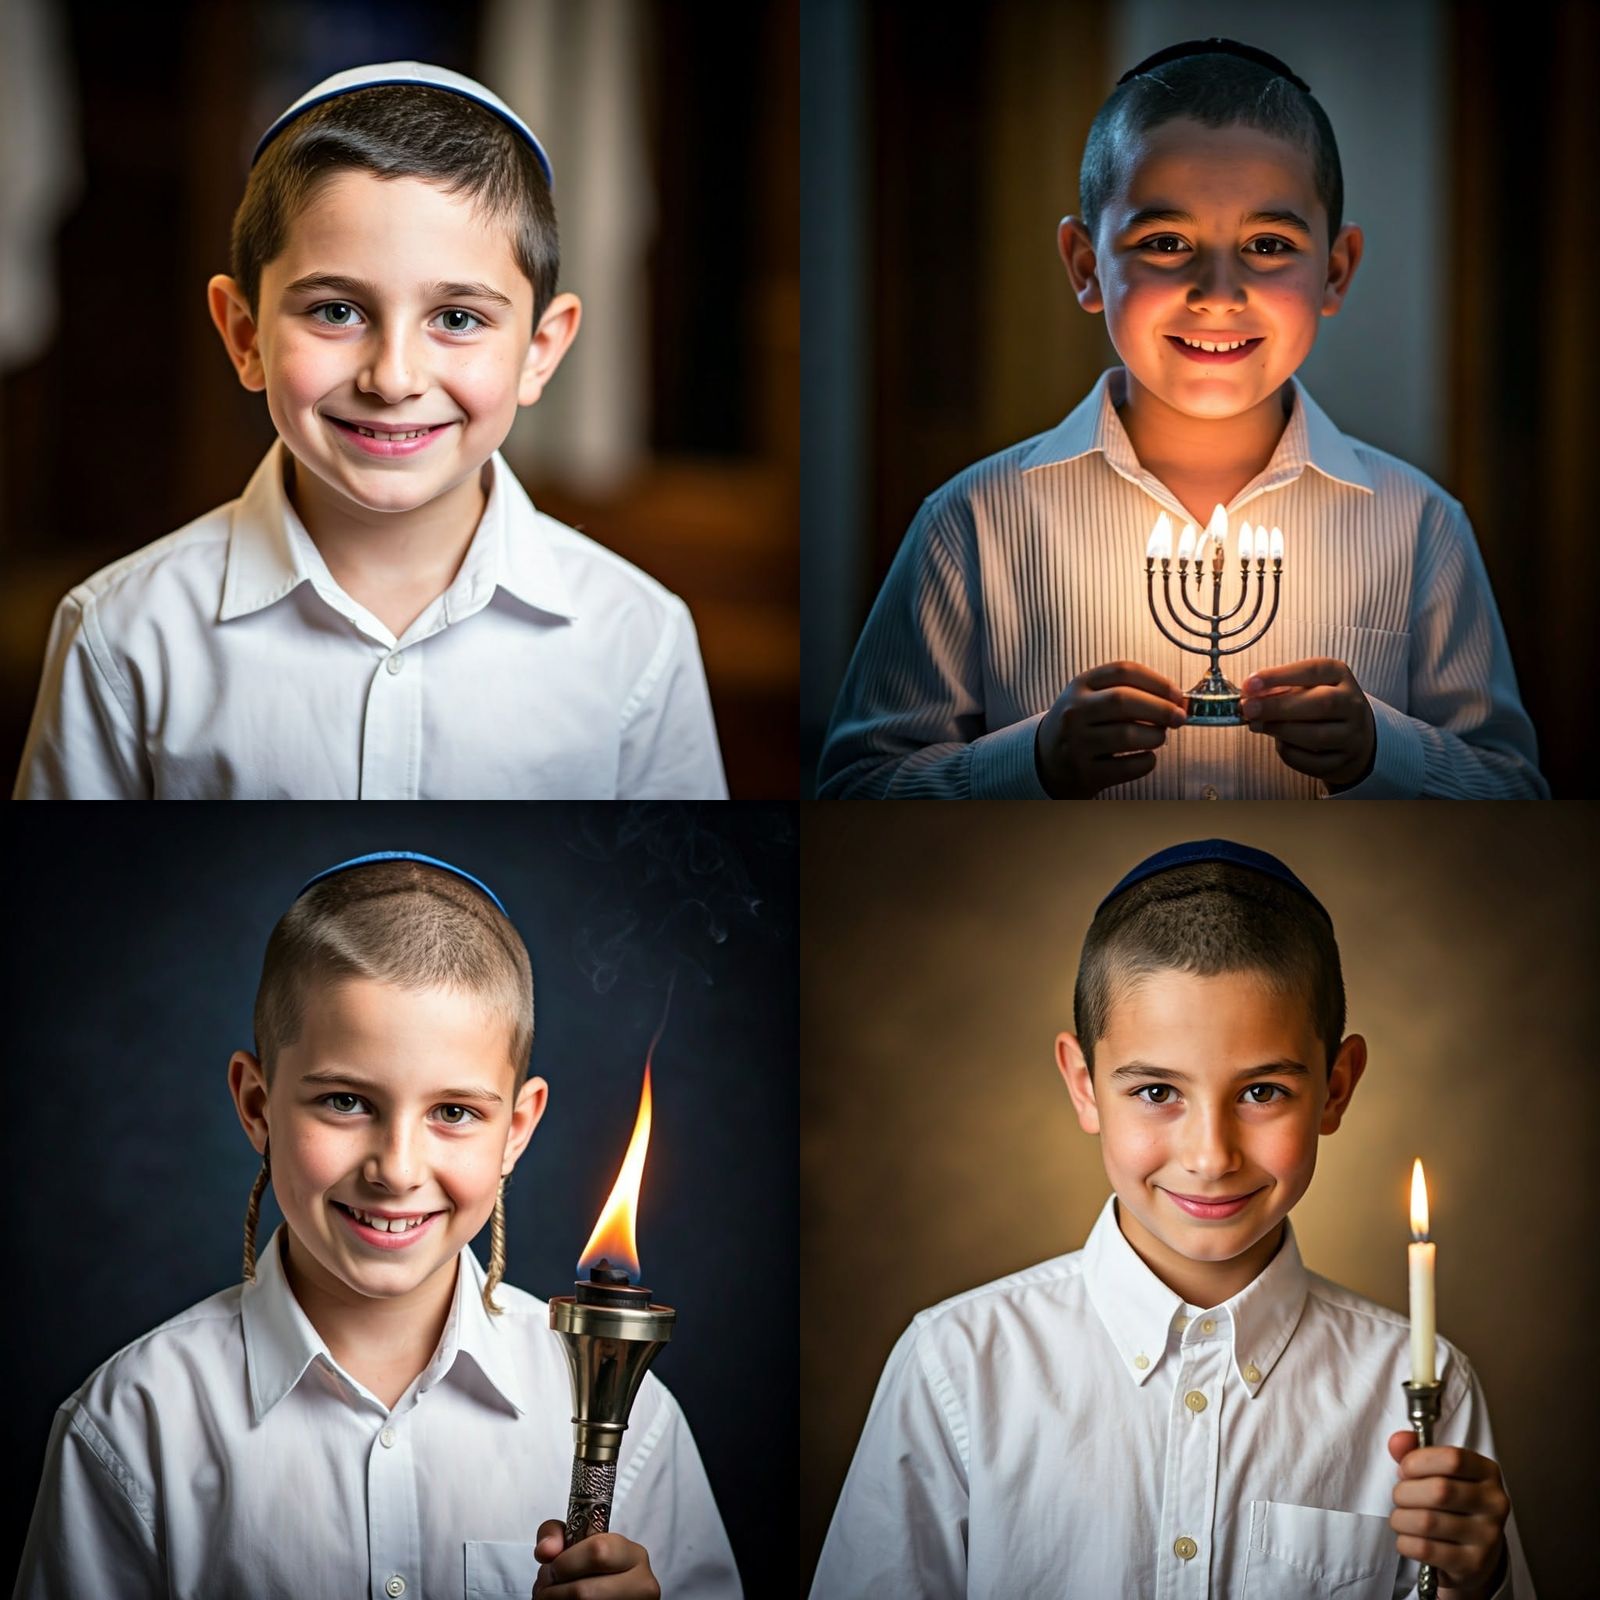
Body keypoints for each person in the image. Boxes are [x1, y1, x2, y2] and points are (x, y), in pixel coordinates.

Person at [817, 38, 1544, 800]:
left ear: (1336, 270)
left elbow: (1516, 792)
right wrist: (1030, 760)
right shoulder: (971, 522)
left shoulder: (1421, 525)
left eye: (1269, 245)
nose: (1218, 291)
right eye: (1165, 243)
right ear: (1085, 265)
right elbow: (855, 788)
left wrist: (1382, 751)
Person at [811, 839, 1534, 1598]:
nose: (1211, 1155)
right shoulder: (955, 1366)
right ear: (1084, 1085)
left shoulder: (1422, 1385)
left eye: (1262, 1092)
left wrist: (1470, 1585)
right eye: (1157, 1091)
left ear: (1336, 1087)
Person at [15, 853, 741, 1599]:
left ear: (516, 1130)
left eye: (454, 1112)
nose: (395, 1169)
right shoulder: (131, 1427)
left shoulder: (639, 1423)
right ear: (258, 1105)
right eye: (344, 1102)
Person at [13, 63, 726, 800]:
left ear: (538, 353)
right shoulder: (123, 634)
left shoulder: (637, 638)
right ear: (245, 335)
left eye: (457, 319)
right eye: (336, 311)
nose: (392, 378)